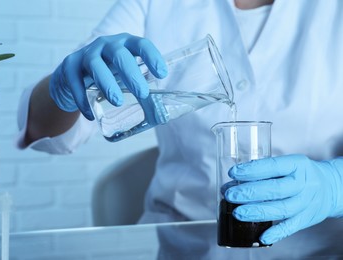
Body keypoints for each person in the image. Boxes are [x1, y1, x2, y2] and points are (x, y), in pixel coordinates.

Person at [17, 0, 343, 254]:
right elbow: (46, 135)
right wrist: (65, 89)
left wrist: (333, 186)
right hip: (184, 251)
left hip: (318, 251)